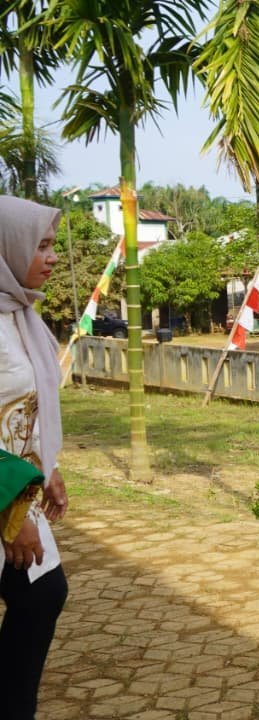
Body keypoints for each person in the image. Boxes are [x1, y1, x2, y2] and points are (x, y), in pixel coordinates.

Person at [0, 195, 72, 718]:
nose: (51, 257)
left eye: (51, 245)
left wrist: (49, 466)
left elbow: (32, 399)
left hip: (20, 486)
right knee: (38, 596)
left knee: (43, 595)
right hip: (6, 492)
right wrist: (12, 508)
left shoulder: (19, 314)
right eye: (40, 245)